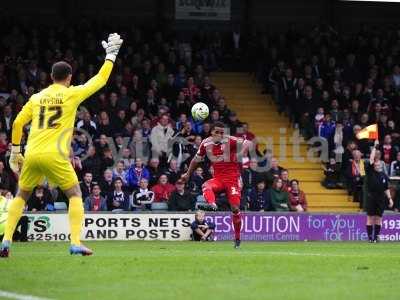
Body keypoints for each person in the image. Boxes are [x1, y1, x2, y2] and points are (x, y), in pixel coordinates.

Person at [0, 33, 123, 257]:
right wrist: (111, 56)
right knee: (75, 193)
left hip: (32, 153)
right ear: (69, 77)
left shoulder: (37, 97)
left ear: (51, 76)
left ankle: (6, 241)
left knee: (21, 195)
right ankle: (75, 242)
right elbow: (100, 80)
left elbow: (17, 122)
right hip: (55, 155)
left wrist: (15, 150)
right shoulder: (71, 94)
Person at [181, 121, 253, 248]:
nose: (219, 135)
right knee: (205, 185)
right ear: (211, 132)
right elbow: (195, 160)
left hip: (232, 180)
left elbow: (248, 142)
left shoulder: (230, 140)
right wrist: (187, 174)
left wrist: (242, 153)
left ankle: (237, 239)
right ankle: (212, 203)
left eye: (222, 133)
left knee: (235, 209)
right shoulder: (205, 143)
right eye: (217, 132)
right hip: (218, 179)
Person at [365, 140, 394, 243]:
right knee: (370, 218)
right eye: (377, 165)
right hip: (371, 197)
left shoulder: (383, 175)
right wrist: (374, 146)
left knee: (378, 219)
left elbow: (386, 188)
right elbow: (372, 159)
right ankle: (370, 238)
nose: (379, 167)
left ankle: (376, 237)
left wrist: (390, 199)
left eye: (380, 166)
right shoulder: (370, 171)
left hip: (381, 198)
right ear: (373, 166)